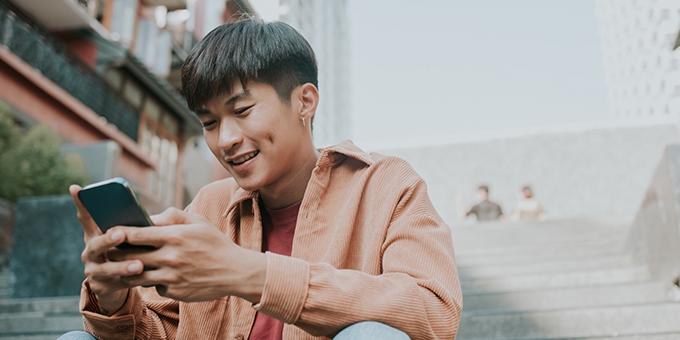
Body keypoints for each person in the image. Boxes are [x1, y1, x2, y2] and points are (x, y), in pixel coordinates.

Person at [61, 18, 462, 340]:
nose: (226, 139)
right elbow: (158, 332)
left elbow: (434, 311)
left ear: (305, 101)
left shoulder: (387, 186)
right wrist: (114, 299)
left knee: (372, 336)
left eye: (243, 110)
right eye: (210, 122)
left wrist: (245, 272)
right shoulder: (209, 206)